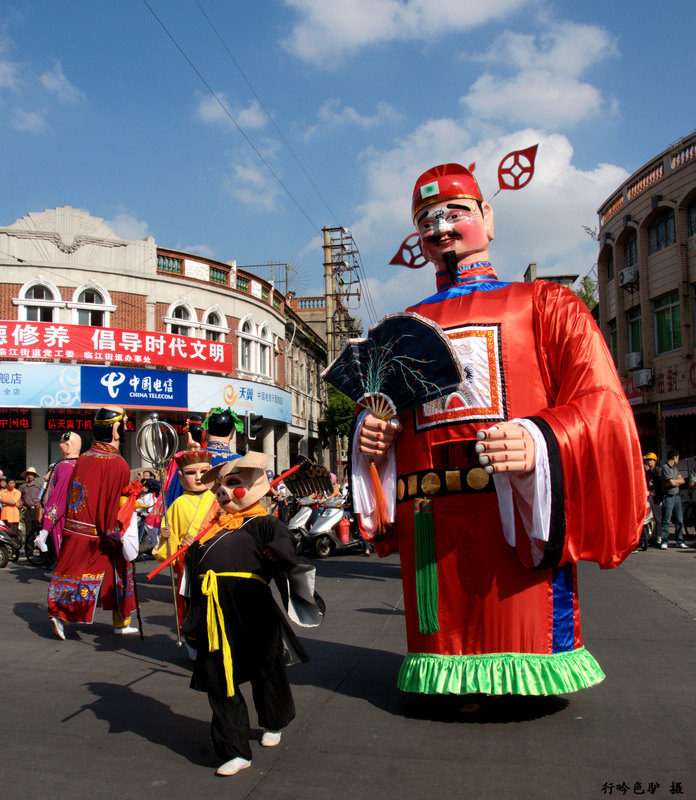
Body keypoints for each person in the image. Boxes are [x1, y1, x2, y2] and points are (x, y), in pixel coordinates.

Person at [355, 162, 645, 701]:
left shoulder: (545, 305)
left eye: (455, 213)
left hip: (514, 505)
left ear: (488, 217)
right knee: (442, 626)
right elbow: (385, 413)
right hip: (431, 519)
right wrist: (371, 435)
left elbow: (600, 402)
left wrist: (540, 437)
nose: (440, 228)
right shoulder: (401, 329)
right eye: (426, 220)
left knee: (525, 609)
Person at [178, 452, 323, 776]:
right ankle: (234, 748)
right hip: (215, 613)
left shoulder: (265, 522)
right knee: (219, 678)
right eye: (219, 489)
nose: (223, 493)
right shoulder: (211, 530)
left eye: (232, 485)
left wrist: (278, 553)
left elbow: (285, 544)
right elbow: (198, 570)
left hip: (252, 606)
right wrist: (192, 550)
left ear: (254, 485)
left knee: (265, 668)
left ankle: (274, 720)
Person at [47, 406, 139, 639]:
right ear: (116, 429)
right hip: (102, 531)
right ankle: (121, 620)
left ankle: (61, 613)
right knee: (121, 569)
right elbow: (110, 503)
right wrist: (114, 533)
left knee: (73, 572)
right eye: (125, 423)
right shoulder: (117, 464)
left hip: (76, 527)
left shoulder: (85, 458)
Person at [152, 448, 218, 656]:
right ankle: (192, 640)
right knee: (190, 605)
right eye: (191, 473)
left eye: (204, 471)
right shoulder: (178, 504)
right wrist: (167, 536)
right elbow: (168, 545)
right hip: (189, 564)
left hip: (214, 563)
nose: (199, 477)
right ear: (181, 477)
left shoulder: (219, 499)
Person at [164, 409, 243, 507]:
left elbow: (173, 497)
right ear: (232, 431)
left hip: (191, 519)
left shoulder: (189, 457)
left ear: (206, 430)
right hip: (231, 520)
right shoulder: (241, 461)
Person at [36, 432, 82, 564]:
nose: (59, 445)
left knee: (64, 557)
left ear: (68, 445)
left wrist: (45, 529)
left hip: (62, 518)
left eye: (61, 442)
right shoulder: (79, 465)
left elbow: (58, 496)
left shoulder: (65, 466)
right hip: (76, 518)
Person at [659, 449, 686, 549]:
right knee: (666, 519)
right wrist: (674, 482)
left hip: (677, 496)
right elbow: (671, 483)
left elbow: (682, 480)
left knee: (679, 520)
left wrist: (675, 481)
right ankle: (664, 540)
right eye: (678, 457)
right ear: (674, 457)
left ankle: (680, 540)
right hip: (669, 496)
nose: (678, 459)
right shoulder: (665, 467)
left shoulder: (675, 468)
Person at [19, 466, 43, 554]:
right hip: (28, 509)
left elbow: (43, 496)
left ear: (34, 476)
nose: (30, 476)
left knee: (38, 529)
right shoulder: (23, 487)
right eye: (28, 474)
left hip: (36, 508)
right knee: (28, 531)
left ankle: (41, 550)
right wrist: (22, 505)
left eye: (32, 475)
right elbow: (19, 497)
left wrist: (40, 505)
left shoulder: (39, 486)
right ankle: (29, 550)